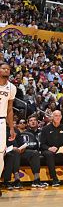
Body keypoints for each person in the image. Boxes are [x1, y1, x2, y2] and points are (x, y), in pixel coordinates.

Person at [40, 110, 63, 187]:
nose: (57, 117)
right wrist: (49, 148)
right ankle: (54, 179)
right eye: (55, 116)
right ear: (52, 117)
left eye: (59, 116)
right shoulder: (45, 129)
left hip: (61, 151)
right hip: (49, 151)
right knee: (49, 154)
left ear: (61, 117)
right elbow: (42, 145)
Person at [0, 63, 16, 197]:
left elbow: (10, 109)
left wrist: (11, 128)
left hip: (1, 120)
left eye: (8, 69)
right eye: (3, 68)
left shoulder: (12, 87)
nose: (6, 70)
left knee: (0, 154)